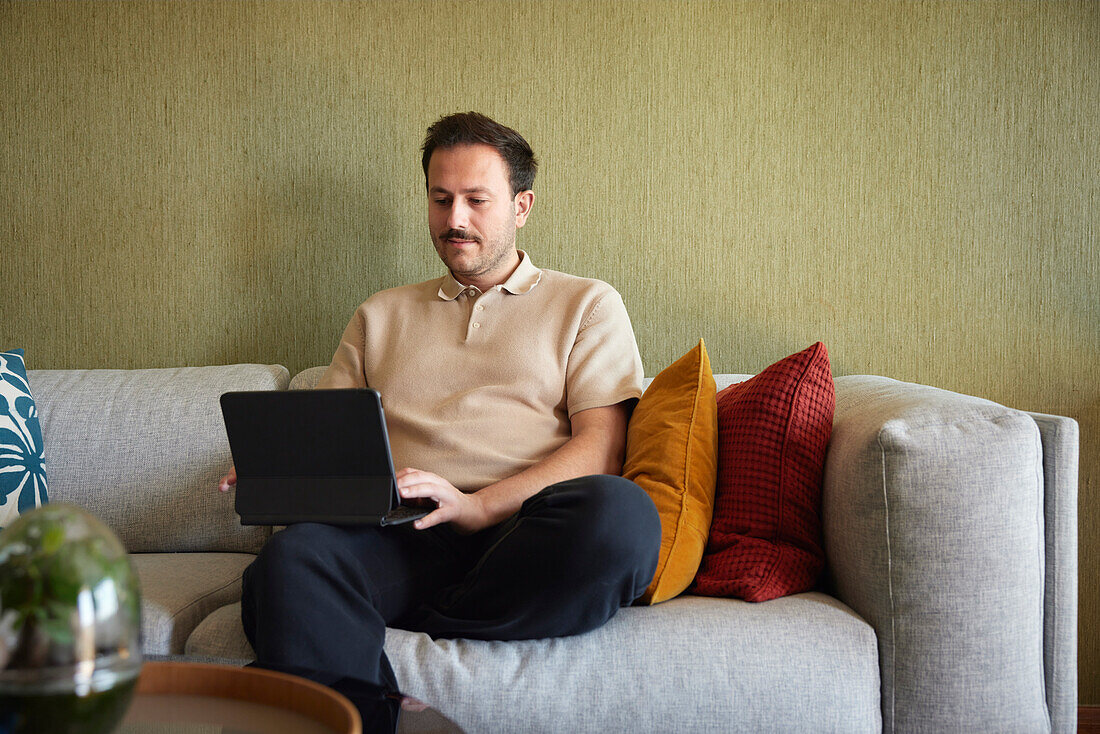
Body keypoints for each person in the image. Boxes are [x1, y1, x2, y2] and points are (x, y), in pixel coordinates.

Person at [218, 112, 661, 693]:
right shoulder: (380, 314)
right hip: (401, 535)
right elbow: (326, 436)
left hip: (521, 534)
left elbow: (602, 447)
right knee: (289, 563)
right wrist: (280, 466)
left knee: (621, 517)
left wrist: (478, 507)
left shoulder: (588, 304)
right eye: (441, 199)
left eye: (477, 200)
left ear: (522, 207)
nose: (455, 220)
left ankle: (351, 624)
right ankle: (365, 663)